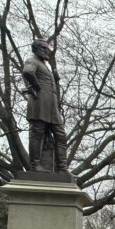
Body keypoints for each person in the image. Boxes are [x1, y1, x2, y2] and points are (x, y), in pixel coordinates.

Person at [21, 38, 68, 173]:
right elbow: (28, 72)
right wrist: (36, 86)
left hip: (52, 107)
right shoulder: (32, 61)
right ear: (35, 49)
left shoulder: (44, 65)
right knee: (37, 134)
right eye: (43, 48)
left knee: (61, 135)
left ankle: (62, 168)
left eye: (48, 49)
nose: (47, 51)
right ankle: (35, 165)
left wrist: (55, 78)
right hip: (39, 104)